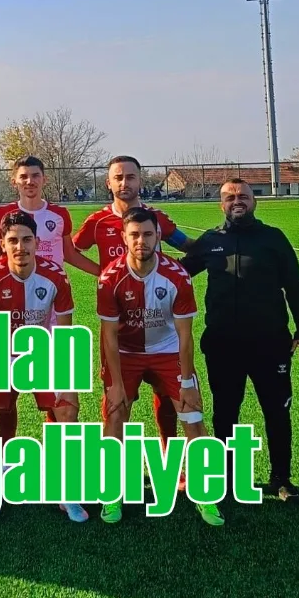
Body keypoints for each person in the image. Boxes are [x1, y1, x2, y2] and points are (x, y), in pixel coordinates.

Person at [179, 178, 299, 502]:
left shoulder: (273, 239)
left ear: (254, 201)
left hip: (271, 344)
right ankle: (227, 479)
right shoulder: (211, 240)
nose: (237, 201)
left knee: (276, 412)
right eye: (230, 197)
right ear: (221, 204)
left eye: (243, 196)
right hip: (222, 346)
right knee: (225, 413)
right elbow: (178, 275)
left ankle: (281, 479)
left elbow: (295, 286)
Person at [96, 206, 224, 526]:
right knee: (115, 413)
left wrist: (187, 382)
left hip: (167, 350)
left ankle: (204, 493)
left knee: (192, 415)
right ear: (124, 238)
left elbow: (184, 335)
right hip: (125, 352)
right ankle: (112, 492)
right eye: (134, 235)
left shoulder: (177, 276)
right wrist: (115, 384)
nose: (141, 241)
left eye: (148, 234)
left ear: (158, 236)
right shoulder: (110, 278)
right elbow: (108, 335)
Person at [72, 155, 194, 454]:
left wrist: (179, 272)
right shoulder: (97, 221)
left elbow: (187, 245)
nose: (124, 183)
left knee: (170, 400)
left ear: (140, 180)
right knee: (116, 404)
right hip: (120, 326)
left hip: (160, 324)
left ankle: (169, 460)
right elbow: (72, 250)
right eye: (118, 177)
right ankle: (115, 472)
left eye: (130, 177)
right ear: (109, 183)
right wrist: (101, 273)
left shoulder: (157, 218)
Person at [0, 212, 83, 523]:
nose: (21, 247)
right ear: (3, 245)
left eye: (27, 240)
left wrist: (68, 383)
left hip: (41, 353)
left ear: (37, 242)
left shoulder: (56, 275)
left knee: (67, 409)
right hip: (2, 354)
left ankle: (66, 489)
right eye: (13, 241)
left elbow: (65, 333)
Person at [0, 155, 100, 440]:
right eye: (23, 176)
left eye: (35, 175)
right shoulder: (3, 214)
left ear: (44, 179)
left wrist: (104, 274)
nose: (30, 181)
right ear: (14, 181)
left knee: (56, 389)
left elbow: (70, 254)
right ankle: (5, 449)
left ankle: (57, 452)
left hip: (49, 307)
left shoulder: (59, 214)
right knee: (5, 394)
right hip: (11, 307)